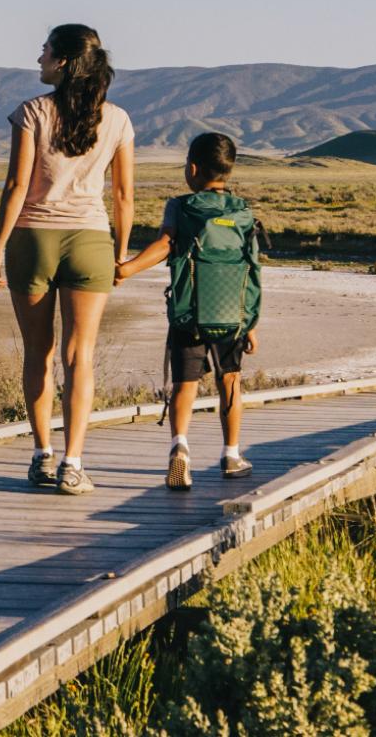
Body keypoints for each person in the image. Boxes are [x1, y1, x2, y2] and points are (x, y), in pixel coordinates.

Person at [0, 24, 134, 496]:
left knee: (38, 352)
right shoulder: (118, 120)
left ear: (65, 61)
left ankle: (41, 455)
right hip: (91, 241)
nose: (39, 59)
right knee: (80, 356)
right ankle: (73, 463)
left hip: (33, 239)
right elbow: (124, 195)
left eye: (45, 50)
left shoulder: (31, 113)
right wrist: (121, 251)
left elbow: (16, 186)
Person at [117, 132, 263, 489]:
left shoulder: (181, 207)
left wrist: (127, 268)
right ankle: (231, 455)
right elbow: (252, 269)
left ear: (193, 168)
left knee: (185, 385)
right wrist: (251, 322)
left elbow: (165, 244)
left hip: (188, 313)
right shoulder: (243, 213)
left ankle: (179, 448)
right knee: (230, 382)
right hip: (232, 314)